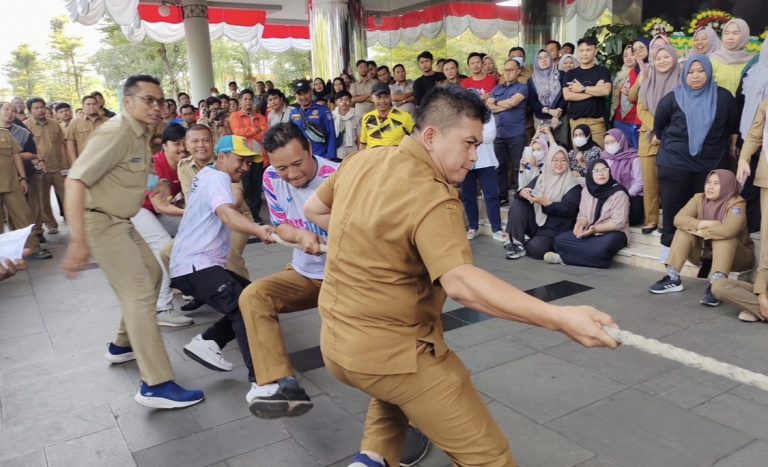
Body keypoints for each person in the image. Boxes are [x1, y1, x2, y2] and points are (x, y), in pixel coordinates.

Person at [303, 85, 618, 467]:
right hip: (395, 353)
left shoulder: (363, 160)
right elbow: (462, 284)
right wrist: (559, 317)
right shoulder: (434, 196)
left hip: (336, 341)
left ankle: (371, 460)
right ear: (432, 135)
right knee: (490, 457)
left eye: (478, 144)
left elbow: (313, 209)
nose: (474, 156)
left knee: (393, 397)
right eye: (469, 143)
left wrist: (373, 242)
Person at [61, 74, 204, 409]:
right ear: (127, 102)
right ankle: (156, 384)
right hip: (101, 222)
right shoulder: (116, 132)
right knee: (140, 293)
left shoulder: (140, 133)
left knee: (153, 277)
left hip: (121, 219)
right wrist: (78, 241)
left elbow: (128, 171)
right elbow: (76, 182)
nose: (157, 107)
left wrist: (158, 184)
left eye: (160, 100)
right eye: (148, 100)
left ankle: (123, 345)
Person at [238, 123, 336, 416]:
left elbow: (361, 231)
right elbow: (281, 223)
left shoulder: (338, 176)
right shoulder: (270, 177)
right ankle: (282, 385)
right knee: (253, 297)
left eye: (297, 164)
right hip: (305, 274)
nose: (292, 175)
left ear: (309, 149)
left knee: (352, 350)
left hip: (345, 278)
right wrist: (300, 236)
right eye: (282, 168)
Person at [169, 135, 275, 399]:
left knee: (253, 296)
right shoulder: (217, 178)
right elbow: (227, 214)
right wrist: (258, 229)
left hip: (195, 263)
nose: (246, 167)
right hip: (196, 265)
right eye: (240, 160)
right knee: (245, 308)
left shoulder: (207, 174)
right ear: (222, 156)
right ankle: (262, 382)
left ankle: (209, 342)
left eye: (249, 163)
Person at [654, 54, 738, 250]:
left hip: (710, 165)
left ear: (709, 72)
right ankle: (670, 257)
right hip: (675, 163)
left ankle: (704, 254)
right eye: (690, 72)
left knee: (707, 211)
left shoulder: (724, 98)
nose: (695, 76)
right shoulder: (672, 98)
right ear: (684, 75)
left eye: (701, 71)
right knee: (673, 210)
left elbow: (730, 126)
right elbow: (660, 127)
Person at [649, 170, 753, 305]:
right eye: (708, 182)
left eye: (716, 183)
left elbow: (729, 230)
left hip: (738, 257)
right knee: (683, 231)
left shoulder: (737, 203)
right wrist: (706, 224)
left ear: (727, 185)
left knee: (724, 238)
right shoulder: (699, 198)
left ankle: (717, 284)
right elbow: (678, 219)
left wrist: (701, 232)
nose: (710, 187)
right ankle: (672, 277)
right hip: (705, 254)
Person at [132, 124, 193, 327]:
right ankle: (162, 308)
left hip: (159, 211)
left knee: (193, 232)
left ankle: (190, 287)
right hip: (138, 210)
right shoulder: (155, 164)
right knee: (163, 245)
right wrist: (191, 213)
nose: (182, 147)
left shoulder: (185, 164)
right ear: (164, 145)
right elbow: (160, 205)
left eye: (185, 143)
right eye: (177, 143)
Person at [629, 44, 680, 235]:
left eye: (667, 57)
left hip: (672, 138)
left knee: (670, 182)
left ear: (674, 58)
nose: (662, 61)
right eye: (658, 58)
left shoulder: (681, 81)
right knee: (649, 182)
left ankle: (668, 220)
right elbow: (641, 109)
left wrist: (664, 133)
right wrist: (657, 130)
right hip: (649, 138)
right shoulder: (647, 80)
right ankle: (650, 220)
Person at [547, 159, 630, 268]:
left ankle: (564, 258)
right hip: (590, 231)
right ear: (590, 174)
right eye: (596, 171)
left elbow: (618, 223)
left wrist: (594, 230)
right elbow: (584, 215)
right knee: (559, 240)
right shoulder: (586, 191)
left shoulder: (619, 193)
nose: (601, 173)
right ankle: (596, 260)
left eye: (604, 170)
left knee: (602, 248)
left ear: (609, 172)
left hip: (613, 232)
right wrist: (580, 224)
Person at [505, 145, 581, 260]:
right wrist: (523, 192)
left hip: (555, 228)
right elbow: (522, 192)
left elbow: (567, 210)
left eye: (563, 160)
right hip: (537, 223)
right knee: (518, 204)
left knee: (536, 250)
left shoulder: (573, 184)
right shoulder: (542, 177)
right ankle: (517, 243)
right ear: (549, 161)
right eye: (555, 160)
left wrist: (545, 202)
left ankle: (525, 243)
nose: (559, 163)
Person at [488, 57, 528, 205]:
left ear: (518, 71)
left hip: (516, 133)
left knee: (519, 166)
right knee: (499, 166)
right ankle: (502, 196)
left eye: (511, 70)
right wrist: (505, 105)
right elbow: (489, 105)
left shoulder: (522, 87)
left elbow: (513, 102)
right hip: (498, 134)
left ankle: (519, 195)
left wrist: (498, 104)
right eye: (506, 70)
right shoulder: (497, 89)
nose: (508, 73)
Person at [26, 97, 67, 238]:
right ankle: (51, 224)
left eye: (42, 107)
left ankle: (75, 222)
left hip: (57, 167)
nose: (40, 110)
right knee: (43, 200)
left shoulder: (55, 124)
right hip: (39, 169)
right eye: (36, 108)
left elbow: (62, 145)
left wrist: (65, 165)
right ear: (30, 111)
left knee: (67, 195)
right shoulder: (26, 126)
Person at [462, 117, 508, 243]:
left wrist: (468, 138)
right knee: (468, 196)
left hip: (487, 161)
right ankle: (473, 227)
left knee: (491, 195)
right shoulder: (459, 113)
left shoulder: (486, 115)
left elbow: (489, 136)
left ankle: (497, 229)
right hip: (466, 161)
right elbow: (457, 137)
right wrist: (475, 136)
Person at [562, 37, 612, 147]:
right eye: (581, 50)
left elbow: (606, 90)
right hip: (577, 122)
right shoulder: (570, 74)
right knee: (579, 158)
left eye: (588, 50)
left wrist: (582, 88)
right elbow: (567, 95)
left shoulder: (602, 71)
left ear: (595, 51)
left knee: (598, 157)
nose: (584, 54)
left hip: (596, 122)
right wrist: (594, 90)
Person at [230, 88, 269, 223]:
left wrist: (253, 132)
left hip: (258, 156)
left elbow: (263, 134)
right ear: (240, 101)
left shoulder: (261, 117)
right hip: (243, 158)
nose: (248, 101)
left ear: (253, 101)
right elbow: (237, 132)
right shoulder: (235, 116)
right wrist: (256, 130)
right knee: (245, 187)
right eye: (245, 99)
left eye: (250, 99)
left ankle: (255, 215)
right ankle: (245, 215)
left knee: (256, 187)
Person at [601, 129, 644, 226]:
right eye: (606, 143)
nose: (610, 145)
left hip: (631, 195)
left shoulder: (634, 157)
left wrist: (624, 195)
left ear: (621, 141)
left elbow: (639, 183)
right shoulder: (604, 158)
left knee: (632, 219)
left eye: (613, 141)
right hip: (610, 195)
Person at [359, 82, 414, 150]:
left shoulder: (405, 117)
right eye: (379, 97)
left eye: (386, 97)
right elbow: (363, 144)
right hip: (373, 157)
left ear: (390, 97)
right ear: (372, 98)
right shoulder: (366, 117)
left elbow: (416, 139)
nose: (382, 101)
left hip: (395, 157)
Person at [290, 80, 337, 160]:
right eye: (299, 94)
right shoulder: (293, 113)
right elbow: (291, 137)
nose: (303, 97)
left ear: (311, 92)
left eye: (305, 93)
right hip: (302, 158)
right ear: (296, 96)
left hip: (321, 157)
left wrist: (330, 157)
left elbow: (331, 135)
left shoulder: (323, 111)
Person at [710, 19, 755, 97]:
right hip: (721, 106)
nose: (730, 37)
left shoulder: (753, 62)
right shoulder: (714, 60)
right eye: (726, 33)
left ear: (744, 35)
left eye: (735, 33)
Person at [529, 49, 566, 137]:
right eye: (540, 58)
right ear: (536, 62)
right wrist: (549, 111)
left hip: (560, 117)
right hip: (541, 119)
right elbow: (533, 102)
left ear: (551, 59)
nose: (544, 60)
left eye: (546, 57)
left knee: (561, 146)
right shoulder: (531, 80)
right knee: (542, 147)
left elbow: (565, 96)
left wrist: (557, 114)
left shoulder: (561, 75)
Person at [612, 45, 641, 149]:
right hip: (618, 120)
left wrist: (632, 93)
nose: (628, 57)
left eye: (632, 54)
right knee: (620, 153)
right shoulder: (619, 75)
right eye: (625, 55)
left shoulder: (641, 73)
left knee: (635, 154)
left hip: (634, 120)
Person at [65, 94, 108, 161]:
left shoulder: (108, 122)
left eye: (94, 104)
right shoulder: (75, 123)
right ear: (83, 107)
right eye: (88, 104)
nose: (92, 106)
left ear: (98, 105)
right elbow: (70, 142)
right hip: (84, 161)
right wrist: (74, 161)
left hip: (105, 160)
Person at [332, 90, 359, 159]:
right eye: (341, 100)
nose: (344, 102)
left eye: (347, 99)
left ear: (350, 101)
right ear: (336, 102)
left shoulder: (356, 116)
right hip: (337, 152)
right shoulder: (332, 116)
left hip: (353, 152)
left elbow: (359, 136)